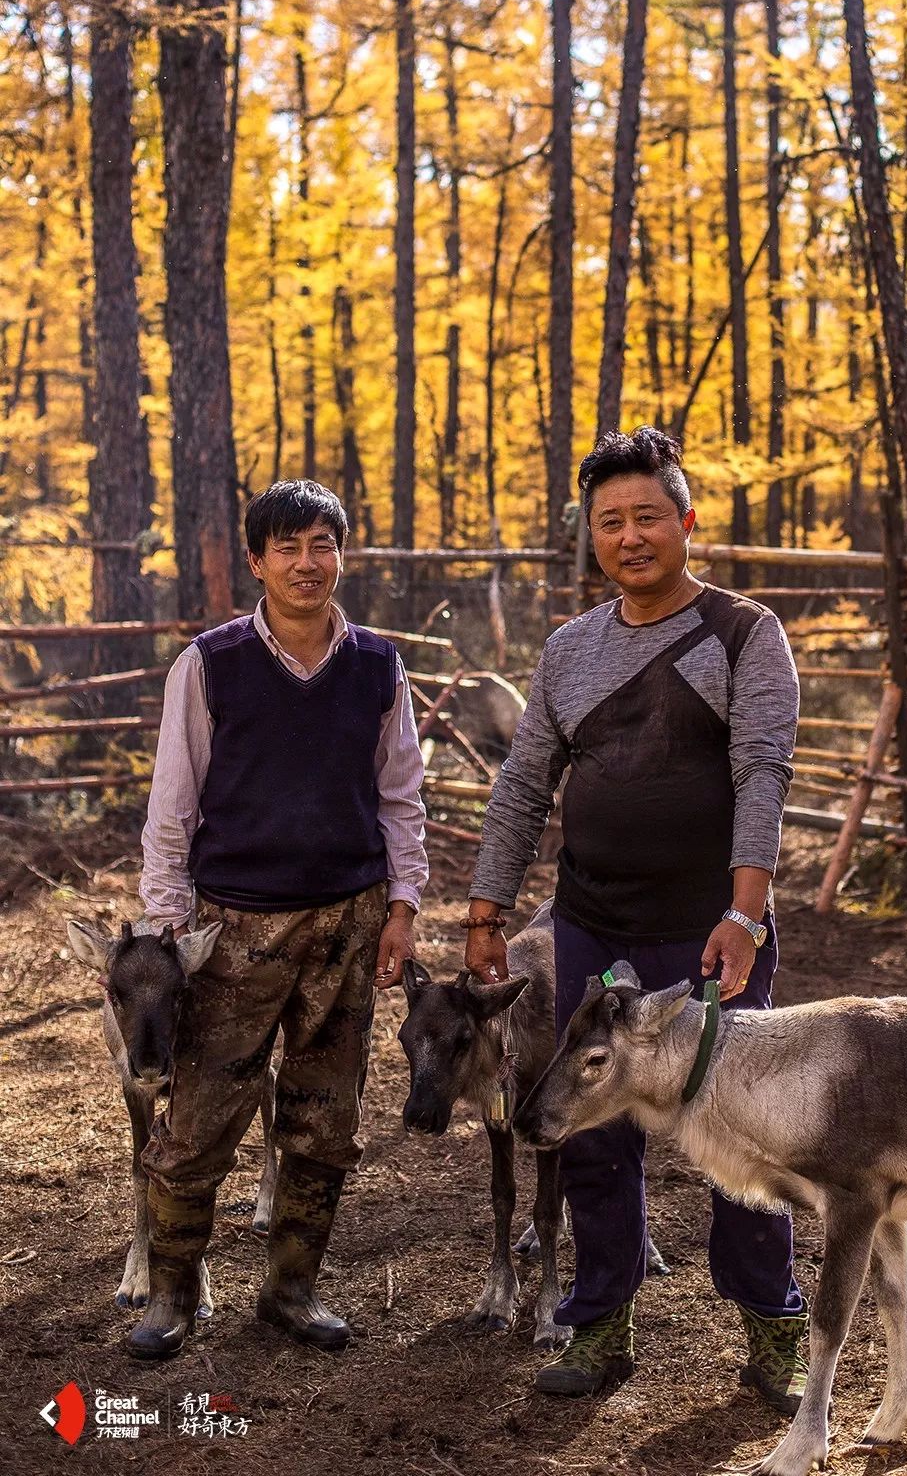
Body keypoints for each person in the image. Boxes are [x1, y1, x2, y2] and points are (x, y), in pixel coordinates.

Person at [464, 428, 808, 1409]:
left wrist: (747, 913)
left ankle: (773, 1328)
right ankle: (600, 1324)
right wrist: (487, 909)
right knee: (590, 1134)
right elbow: (525, 783)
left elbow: (761, 775)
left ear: (686, 521)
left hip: (707, 932)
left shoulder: (745, 633)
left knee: (738, 1133)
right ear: (592, 538)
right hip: (592, 927)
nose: (630, 537)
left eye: (647, 516)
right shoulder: (571, 650)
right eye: (609, 522)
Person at [131, 479, 428, 1360]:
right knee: (198, 1122)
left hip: (348, 923)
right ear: (255, 562)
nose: (307, 562)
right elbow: (171, 811)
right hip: (231, 931)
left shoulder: (378, 665)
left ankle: (292, 1290)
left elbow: (401, 798)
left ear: (343, 555)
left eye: (323, 544)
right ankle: (173, 1296)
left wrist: (404, 906)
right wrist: (166, 932)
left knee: (324, 1119)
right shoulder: (211, 664)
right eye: (287, 547)